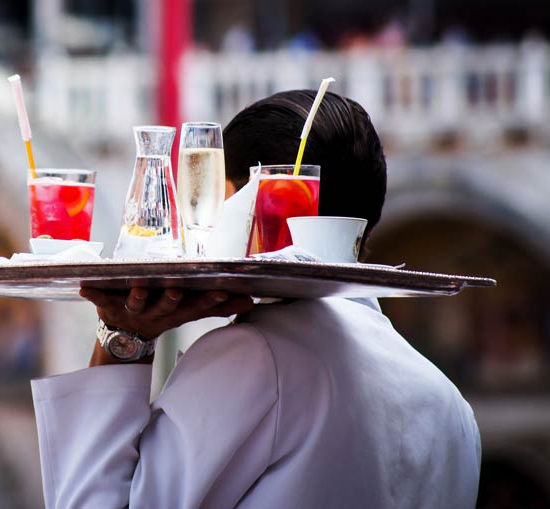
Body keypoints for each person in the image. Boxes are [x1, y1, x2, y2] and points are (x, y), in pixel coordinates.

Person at [30, 90, 481, 508]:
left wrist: (122, 341)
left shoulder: (256, 358)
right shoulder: (450, 405)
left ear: (258, 206)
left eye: (214, 204)